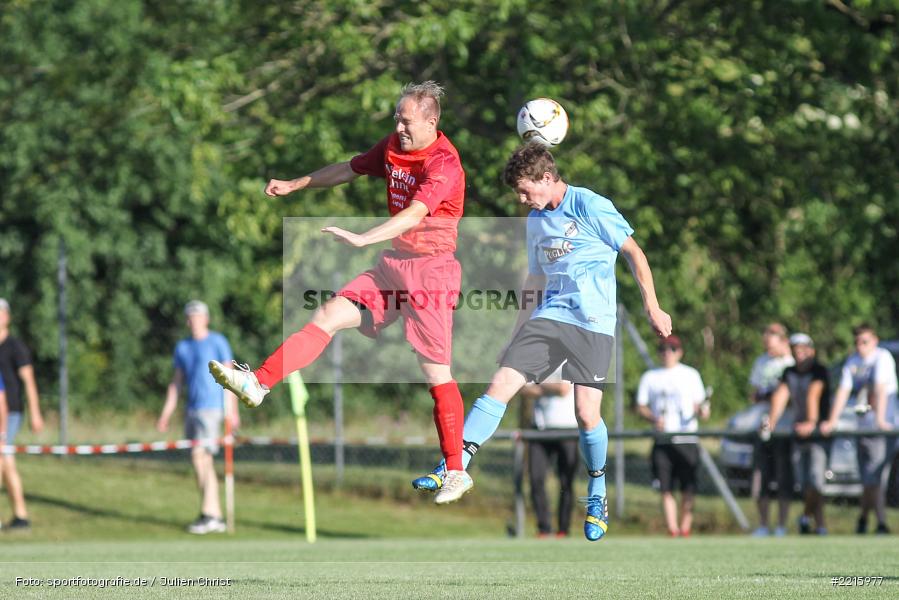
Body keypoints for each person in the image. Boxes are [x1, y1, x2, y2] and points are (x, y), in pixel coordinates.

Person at [208, 81, 471, 503]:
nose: (399, 127)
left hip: (431, 274)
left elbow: (416, 213)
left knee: (435, 373)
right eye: (396, 119)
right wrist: (296, 184)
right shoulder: (392, 146)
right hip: (394, 267)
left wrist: (365, 239)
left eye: (406, 121)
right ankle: (258, 381)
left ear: (431, 121)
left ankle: (455, 471)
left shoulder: (445, 163)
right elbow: (349, 168)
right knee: (327, 316)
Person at [413, 143, 672, 540]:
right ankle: (455, 464)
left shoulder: (590, 205)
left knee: (586, 414)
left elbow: (634, 253)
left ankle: (597, 490)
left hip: (592, 322)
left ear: (547, 178)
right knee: (499, 385)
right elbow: (534, 280)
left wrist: (653, 306)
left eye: (524, 190)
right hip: (549, 317)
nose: (521, 199)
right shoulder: (534, 220)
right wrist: (515, 333)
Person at [157, 300, 239, 534]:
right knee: (202, 462)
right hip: (192, 410)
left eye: (198, 316)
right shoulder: (182, 347)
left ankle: (209, 514)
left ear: (206, 318)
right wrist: (166, 413)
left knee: (199, 456)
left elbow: (230, 378)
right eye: (190, 316)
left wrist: (232, 411)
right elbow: (176, 383)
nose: (193, 320)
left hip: (212, 409)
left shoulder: (217, 342)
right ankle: (214, 515)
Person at [821, 324, 897, 535]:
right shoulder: (853, 361)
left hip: (881, 430)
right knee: (868, 479)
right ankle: (864, 519)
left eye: (864, 341)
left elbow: (881, 389)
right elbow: (843, 392)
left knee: (874, 477)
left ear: (875, 340)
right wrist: (832, 420)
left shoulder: (882, 358)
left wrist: (881, 420)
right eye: (857, 342)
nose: (860, 346)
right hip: (861, 428)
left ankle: (879, 522)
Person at [636, 335, 709, 537]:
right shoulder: (650, 376)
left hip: (686, 439)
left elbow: (702, 407)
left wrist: (702, 411)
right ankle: (672, 528)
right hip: (663, 439)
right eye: (663, 349)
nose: (667, 353)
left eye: (672, 349)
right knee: (665, 488)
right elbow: (640, 406)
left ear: (680, 352)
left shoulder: (691, 374)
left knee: (688, 487)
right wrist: (653, 418)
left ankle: (685, 527)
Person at [767, 333, 830, 535]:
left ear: (811, 350)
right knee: (805, 484)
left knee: (816, 482)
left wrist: (811, 422)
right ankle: (817, 525)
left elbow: (813, 394)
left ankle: (808, 518)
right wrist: (771, 422)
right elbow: (781, 395)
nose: (800, 354)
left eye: (803, 349)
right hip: (798, 433)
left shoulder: (819, 370)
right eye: (796, 350)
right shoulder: (789, 371)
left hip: (818, 434)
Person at [0, 297, 44, 530]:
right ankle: (21, 515)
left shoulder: (15, 347)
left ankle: (20, 515)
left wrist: (35, 413)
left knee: (2, 458)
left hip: (11, 411)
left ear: (7, 317)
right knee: (7, 461)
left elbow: (29, 381)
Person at [519, 366, 579, 538]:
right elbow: (522, 388)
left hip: (567, 430)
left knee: (566, 482)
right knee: (536, 479)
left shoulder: (570, 361)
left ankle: (563, 529)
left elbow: (563, 389)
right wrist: (548, 386)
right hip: (540, 429)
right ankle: (544, 528)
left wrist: (539, 384)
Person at [748, 322, 795, 536]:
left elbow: (792, 395)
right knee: (761, 478)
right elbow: (755, 394)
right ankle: (763, 524)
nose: (768, 347)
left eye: (772, 342)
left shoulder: (791, 363)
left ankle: (782, 525)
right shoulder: (761, 362)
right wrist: (765, 395)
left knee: (784, 479)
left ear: (784, 342)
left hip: (784, 428)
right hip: (762, 427)